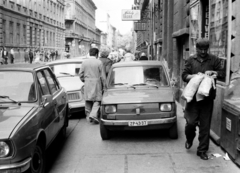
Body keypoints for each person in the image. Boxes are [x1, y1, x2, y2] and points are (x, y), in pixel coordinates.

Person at [182, 38, 223, 160]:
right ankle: (189, 138)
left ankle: (202, 150)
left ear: (208, 49)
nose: (203, 52)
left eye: (205, 49)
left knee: (205, 126)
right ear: (197, 48)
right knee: (190, 123)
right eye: (201, 49)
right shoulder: (190, 60)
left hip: (207, 99)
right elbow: (184, 75)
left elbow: (221, 74)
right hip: (193, 99)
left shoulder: (214, 60)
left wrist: (214, 73)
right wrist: (194, 77)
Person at [79, 48, 106, 124]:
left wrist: (85, 80)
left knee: (88, 99)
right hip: (97, 83)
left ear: (89, 53)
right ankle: (93, 115)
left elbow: (80, 74)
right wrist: (104, 86)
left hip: (87, 83)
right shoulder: (99, 62)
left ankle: (88, 116)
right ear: (97, 54)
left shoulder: (84, 62)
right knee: (98, 99)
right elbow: (103, 76)